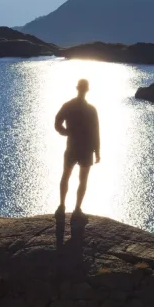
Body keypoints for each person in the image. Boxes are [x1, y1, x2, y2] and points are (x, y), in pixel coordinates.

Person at [54, 78, 100, 221]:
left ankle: (62, 207)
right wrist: (97, 151)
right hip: (85, 149)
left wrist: (65, 132)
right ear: (86, 90)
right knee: (81, 179)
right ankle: (76, 209)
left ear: (78, 88)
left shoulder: (68, 105)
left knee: (66, 175)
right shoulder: (91, 109)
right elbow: (96, 132)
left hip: (73, 147)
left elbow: (57, 123)